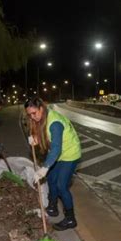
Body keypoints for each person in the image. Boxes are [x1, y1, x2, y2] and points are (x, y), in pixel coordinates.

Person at [25, 98, 81, 231]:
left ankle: (70, 219)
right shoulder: (41, 119)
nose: (32, 117)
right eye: (29, 115)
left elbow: (56, 149)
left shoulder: (54, 122)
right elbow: (47, 136)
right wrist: (36, 139)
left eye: (34, 113)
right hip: (58, 155)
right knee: (51, 179)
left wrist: (44, 168)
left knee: (62, 186)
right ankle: (53, 206)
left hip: (70, 154)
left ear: (41, 109)